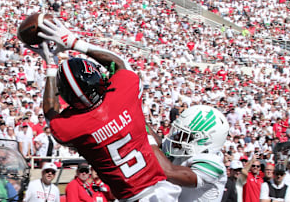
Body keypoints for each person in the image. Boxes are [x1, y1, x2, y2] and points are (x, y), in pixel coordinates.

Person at [29, 16, 182, 201]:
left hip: (129, 197)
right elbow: (120, 64)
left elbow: (51, 115)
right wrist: (74, 42)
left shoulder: (74, 127)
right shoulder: (124, 93)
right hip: (164, 191)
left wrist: (51, 67)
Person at [157, 105, 229, 201]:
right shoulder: (183, 147)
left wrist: (148, 140)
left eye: (186, 135)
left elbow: (169, 172)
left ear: (204, 140)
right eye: (180, 132)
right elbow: (158, 146)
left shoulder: (213, 163)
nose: (177, 137)